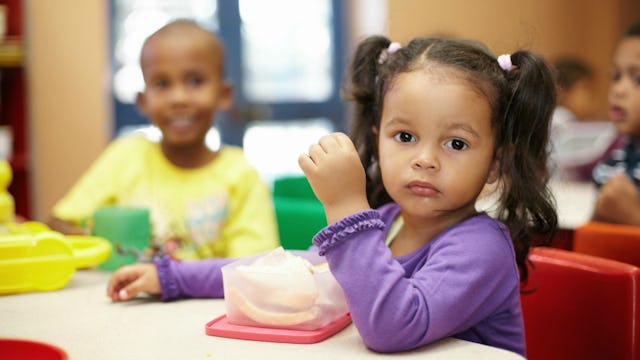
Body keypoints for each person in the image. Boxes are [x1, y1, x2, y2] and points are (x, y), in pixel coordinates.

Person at [107, 35, 558, 357]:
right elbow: (295, 272)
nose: (425, 159)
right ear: (378, 137)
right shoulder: (386, 222)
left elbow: (392, 328)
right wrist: (173, 278)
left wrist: (345, 207)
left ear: (497, 161)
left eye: (456, 143)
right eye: (405, 136)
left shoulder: (480, 247)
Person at [48, 19, 279, 260]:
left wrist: (175, 279)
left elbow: (253, 268)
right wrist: (102, 242)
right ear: (143, 101)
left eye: (195, 81)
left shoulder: (240, 175)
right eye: (161, 84)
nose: (178, 98)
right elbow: (59, 224)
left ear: (224, 94)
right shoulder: (126, 156)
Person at [591, 21, 640, 226]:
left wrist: (635, 218)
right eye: (616, 76)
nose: (619, 90)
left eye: (638, 79)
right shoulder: (609, 166)